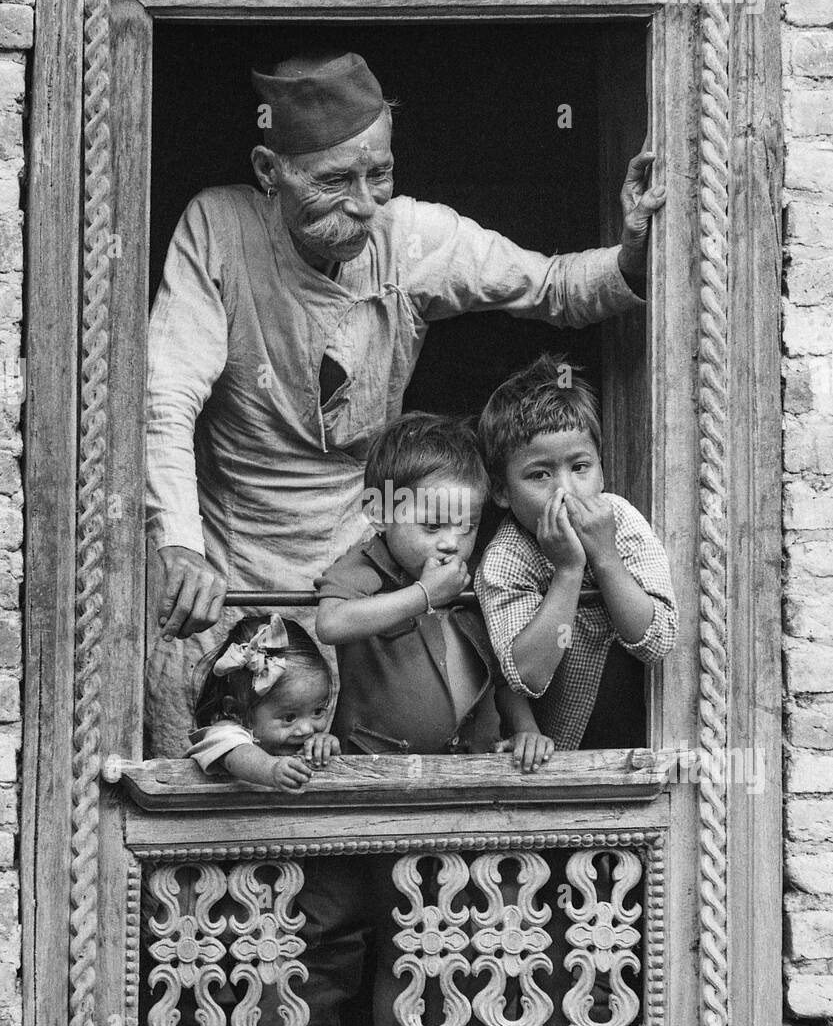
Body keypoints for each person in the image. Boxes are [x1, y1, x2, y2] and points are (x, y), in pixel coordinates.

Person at [145, 48, 666, 755]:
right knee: (221, 762)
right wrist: (177, 543)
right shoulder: (219, 227)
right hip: (227, 555)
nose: (363, 203)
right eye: (334, 180)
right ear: (270, 171)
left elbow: (550, 287)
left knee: (350, 772)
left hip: (363, 551)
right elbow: (166, 394)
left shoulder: (412, 235)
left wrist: (634, 247)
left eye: (379, 173)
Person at [315, 411, 554, 771]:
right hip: (375, 770)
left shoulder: (476, 578)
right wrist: (423, 595)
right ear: (380, 513)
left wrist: (525, 729)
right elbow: (331, 623)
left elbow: (500, 668)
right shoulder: (365, 567)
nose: (450, 543)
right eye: (432, 526)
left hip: (475, 768)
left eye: (467, 527)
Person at [474, 354, 678, 750]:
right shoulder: (506, 559)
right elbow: (526, 676)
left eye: (580, 467)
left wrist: (605, 558)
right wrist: (568, 571)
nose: (564, 490)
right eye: (540, 475)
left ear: (601, 469)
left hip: (642, 741)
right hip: (557, 755)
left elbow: (657, 642)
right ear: (501, 491)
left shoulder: (621, 520)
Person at [187, 613, 340, 790]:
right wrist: (272, 770)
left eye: (318, 711)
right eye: (289, 717)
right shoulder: (223, 734)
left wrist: (323, 748)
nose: (307, 729)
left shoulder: (298, 739)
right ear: (236, 711)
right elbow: (238, 754)